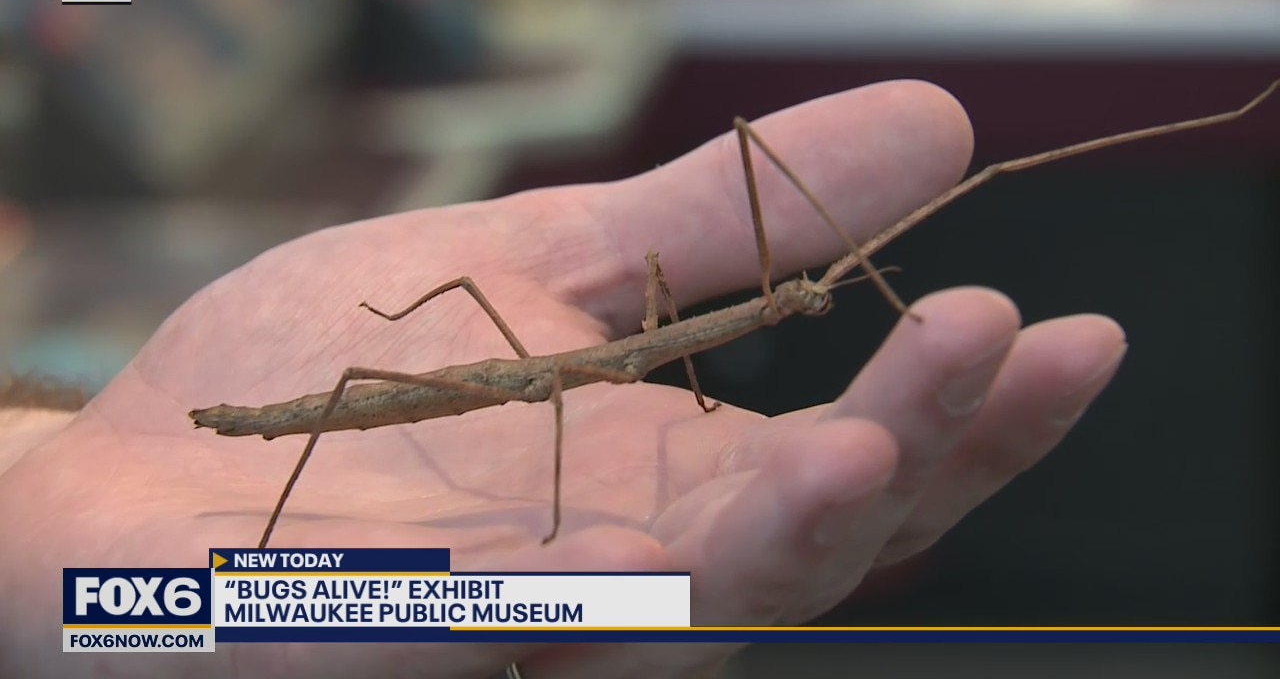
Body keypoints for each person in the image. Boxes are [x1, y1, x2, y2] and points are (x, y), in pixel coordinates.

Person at [0, 80, 1126, 678]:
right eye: (797, 300)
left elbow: (672, 344)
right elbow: (580, 391)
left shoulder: (655, 333)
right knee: (351, 384)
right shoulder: (621, 334)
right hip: (430, 389)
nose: (801, 304)